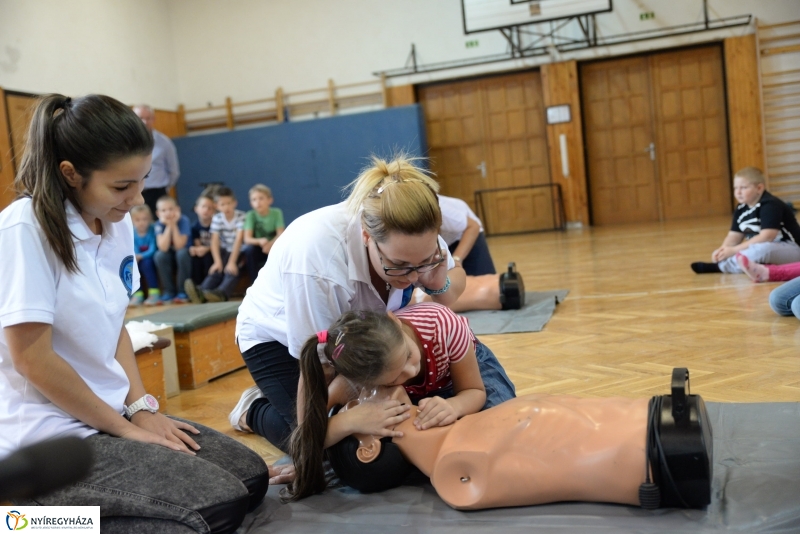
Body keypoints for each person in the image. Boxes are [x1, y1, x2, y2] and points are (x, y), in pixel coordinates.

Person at [0, 94, 268, 533]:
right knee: (209, 514)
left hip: (108, 414)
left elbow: (116, 326)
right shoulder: (24, 229)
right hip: (47, 432)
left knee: (251, 479)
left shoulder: (116, 219)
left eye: (141, 181)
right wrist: (125, 430)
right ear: (71, 174)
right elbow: (33, 358)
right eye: (122, 187)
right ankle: (22, 522)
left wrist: (141, 408)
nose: (136, 197)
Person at [231, 155, 514, 454]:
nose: (414, 275)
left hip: (363, 338)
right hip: (280, 339)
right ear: (367, 236)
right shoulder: (319, 264)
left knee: (487, 425)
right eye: (400, 265)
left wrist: (438, 278)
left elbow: (448, 295)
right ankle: (255, 408)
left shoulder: (414, 232)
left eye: (423, 262)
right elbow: (318, 365)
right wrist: (346, 420)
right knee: (322, 449)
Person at [322, 380, 712, 511]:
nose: (367, 391)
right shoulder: (456, 473)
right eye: (358, 403)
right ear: (368, 447)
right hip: (660, 452)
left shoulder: (458, 431)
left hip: (660, 423)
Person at [286, 306, 487, 500]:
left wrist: (455, 405)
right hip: (419, 395)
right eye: (394, 378)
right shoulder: (354, 381)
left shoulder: (444, 326)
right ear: (365, 383)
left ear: (395, 320)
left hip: (465, 364)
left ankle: (255, 405)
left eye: (408, 355)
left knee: (491, 421)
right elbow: (306, 437)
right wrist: (350, 421)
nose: (411, 371)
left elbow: (474, 390)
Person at [691, 167, 800, 274]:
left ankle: (721, 267)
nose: (738, 192)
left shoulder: (770, 205)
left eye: (743, 188)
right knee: (738, 252)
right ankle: (755, 266)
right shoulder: (741, 209)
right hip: (763, 248)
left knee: (762, 250)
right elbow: (733, 236)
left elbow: (767, 237)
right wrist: (723, 250)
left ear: (759, 188)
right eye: (735, 188)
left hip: (792, 247)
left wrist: (734, 251)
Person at [184, 187, 246, 303]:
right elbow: (215, 241)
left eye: (229, 203)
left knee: (231, 271)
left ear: (235, 203)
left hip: (239, 251)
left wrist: (232, 262)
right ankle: (201, 291)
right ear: (217, 206)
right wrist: (217, 262)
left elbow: (239, 240)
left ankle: (222, 293)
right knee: (216, 270)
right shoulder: (217, 218)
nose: (226, 207)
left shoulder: (241, 216)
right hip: (224, 250)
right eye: (222, 204)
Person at [133, 104, 180, 214]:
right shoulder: (126, 142)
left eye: (148, 118)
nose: (144, 122)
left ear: (153, 119)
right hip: (134, 192)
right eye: (140, 118)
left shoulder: (165, 143)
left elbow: (174, 171)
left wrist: (164, 187)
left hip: (157, 192)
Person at [438, 195, 495, 276]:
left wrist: (456, 259)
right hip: (445, 242)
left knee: (482, 281)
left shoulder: (441, 210)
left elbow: (473, 226)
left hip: (468, 234)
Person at [242, 184, 285, 282]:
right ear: (251, 203)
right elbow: (247, 239)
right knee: (249, 250)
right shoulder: (250, 215)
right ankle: (254, 283)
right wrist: (260, 241)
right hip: (259, 249)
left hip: (273, 247)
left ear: (270, 200)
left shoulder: (277, 212)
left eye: (261, 198)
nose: (257, 202)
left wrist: (270, 244)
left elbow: (280, 234)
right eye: (254, 199)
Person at [153, 195, 191, 304]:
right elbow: (163, 247)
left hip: (184, 256)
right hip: (168, 255)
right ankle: (169, 291)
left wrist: (173, 224)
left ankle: (183, 291)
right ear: (158, 214)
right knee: (159, 255)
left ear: (178, 209)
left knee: (182, 253)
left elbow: (180, 246)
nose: (168, 213)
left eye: (171, 209)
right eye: (163, 210)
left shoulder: (184, 220)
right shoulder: (158, 224)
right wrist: (169, 226)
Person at [129, 204, 161, 306]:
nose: (141, 222)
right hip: (138, 258)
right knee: (132, 265)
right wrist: (137, 256)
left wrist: (141, 256)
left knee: (146, 264)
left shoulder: (153, 229)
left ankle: (154, 293)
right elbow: (133, 247)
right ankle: (137, 294)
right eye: (138, 220)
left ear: (150, 219)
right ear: (133, 221)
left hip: (150, 258)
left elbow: (153, 248)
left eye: (145, 219)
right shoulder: (132, 232)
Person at [189, 192, 215, 285]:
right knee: (196, 259)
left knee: (208, 258)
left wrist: (207, 249)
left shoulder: (216, 225)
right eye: (203, 206)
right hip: (202, 251)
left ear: (214, 210)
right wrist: (195, 249)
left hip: (213, 252)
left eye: (209, 208)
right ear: (196, 209)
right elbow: (197, 243)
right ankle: (196, 286)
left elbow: (220, 243)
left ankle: (208, 286)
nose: (206, 210)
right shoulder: (194, 227)